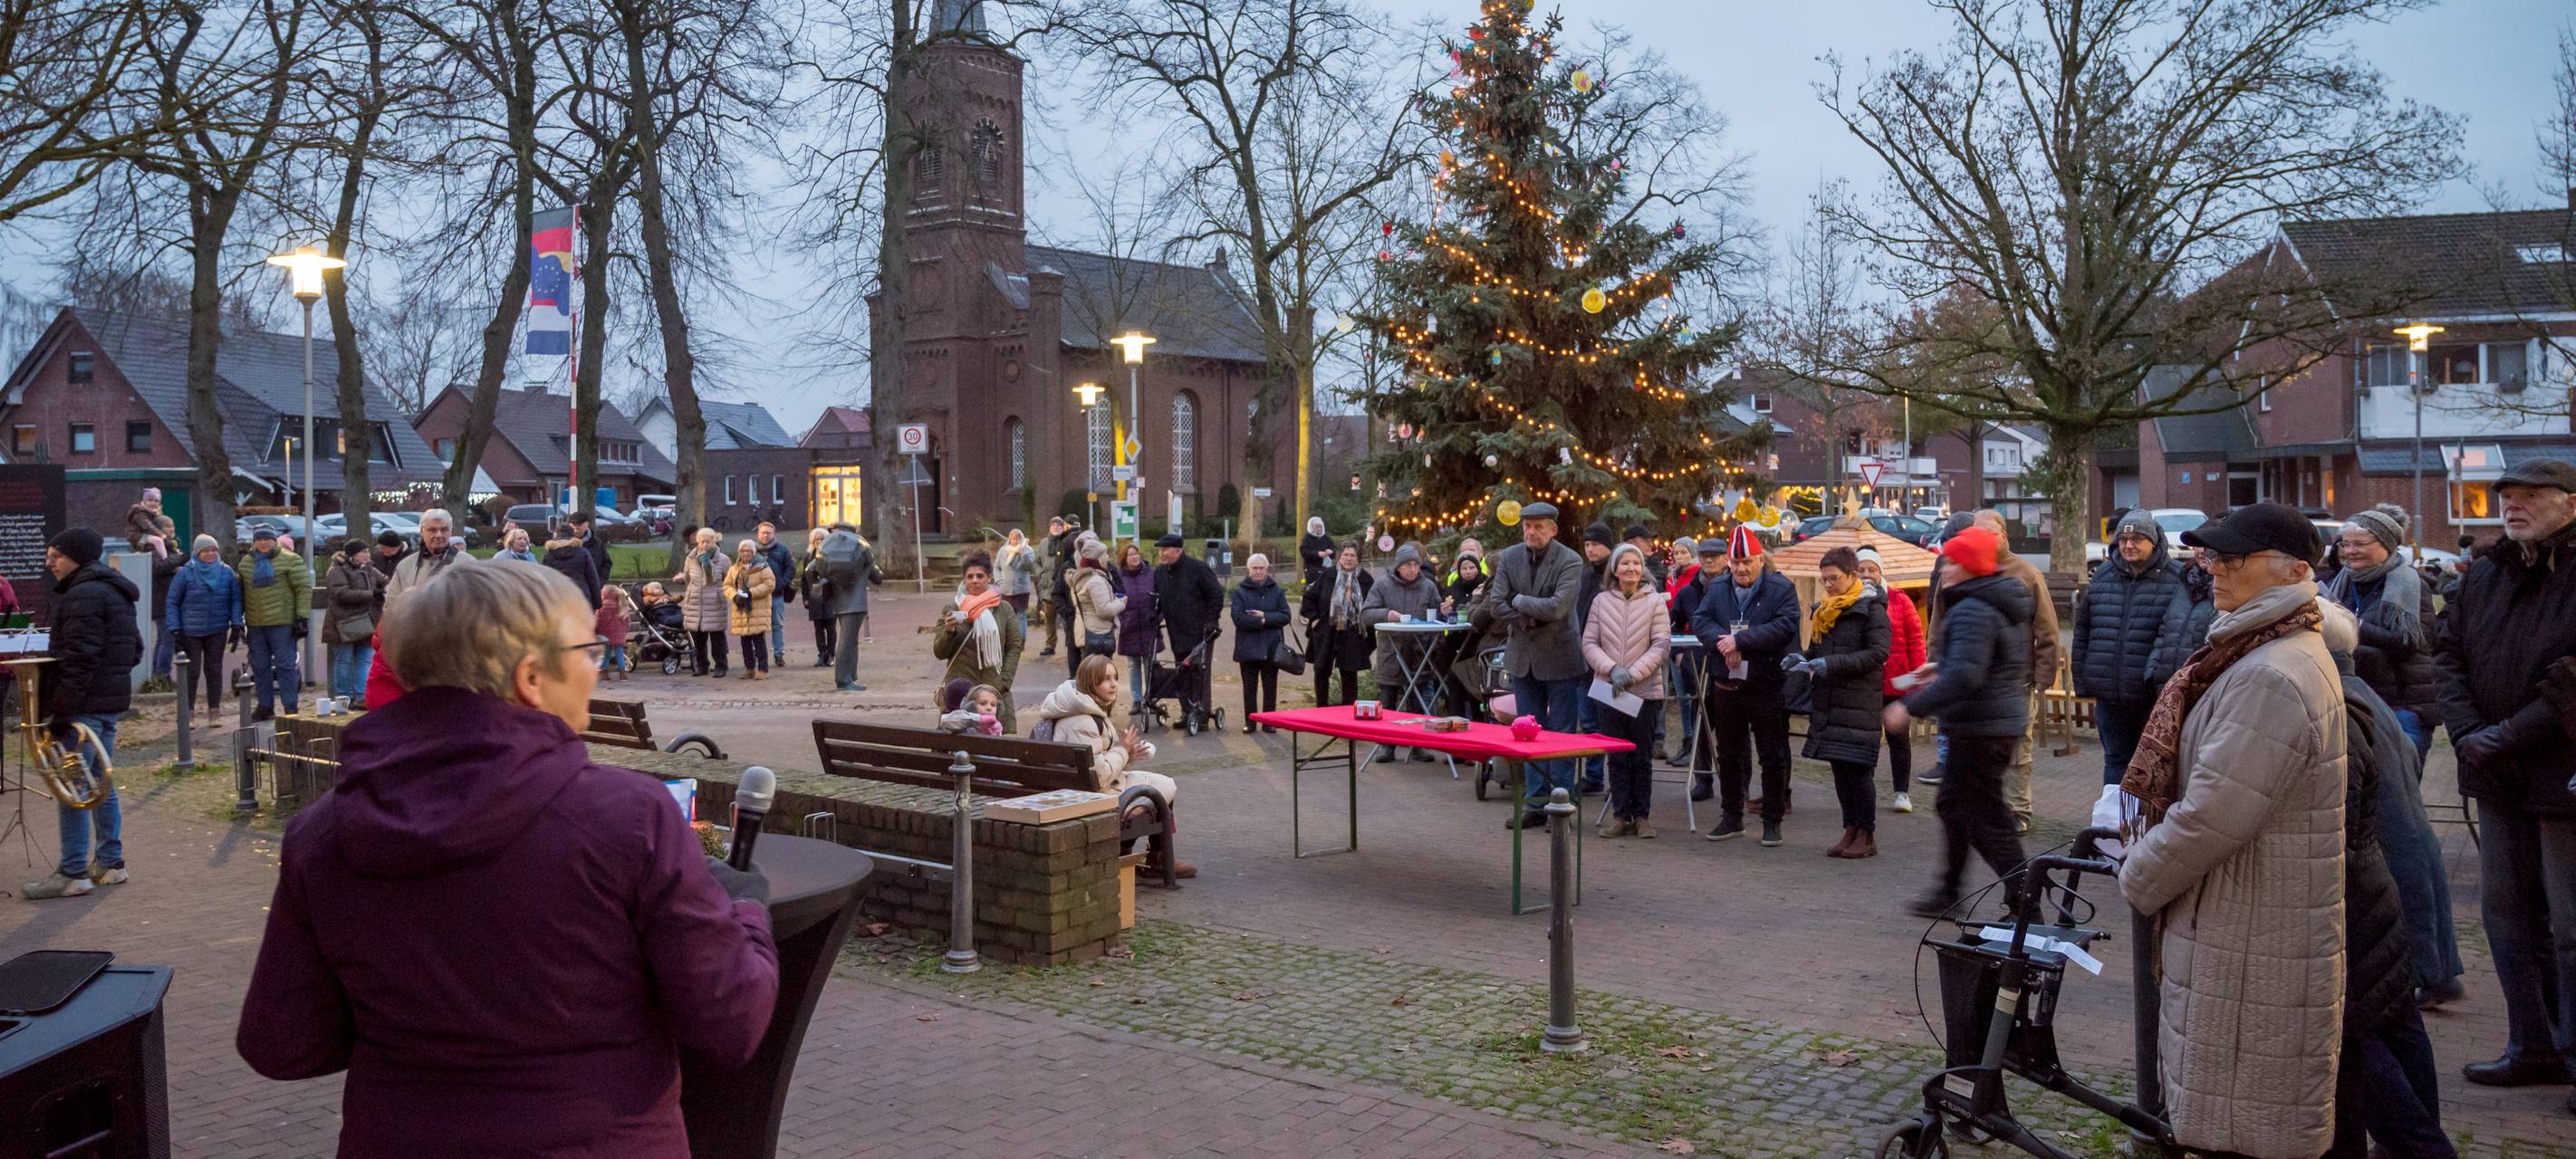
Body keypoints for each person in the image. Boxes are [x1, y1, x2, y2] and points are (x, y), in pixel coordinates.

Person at [236, 559, 779, 1156]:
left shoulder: (323, 833)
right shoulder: (630, 818)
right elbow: (732, 1022)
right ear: (531, 678)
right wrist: (747, 907)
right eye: (589, 653)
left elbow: (281, 1043)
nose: (595, 672)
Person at [2118, 502, 2345, 1159]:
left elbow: (2215, 813)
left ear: (2294, 571)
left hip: (2251, 932)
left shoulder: (2272, 672)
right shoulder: (2257, 650)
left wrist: (2139, 873)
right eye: (2214, 555)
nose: (2214, 568)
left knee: (2243, 1126)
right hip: (2244, 920)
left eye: (2234, 558)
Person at [2433, 458, 2576, 1101]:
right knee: (2507, 917)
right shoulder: (2488, 574)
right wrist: (2467, 734)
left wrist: (2511, 733)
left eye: (2531, 496)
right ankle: (2532, 1044)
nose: (2514, 506)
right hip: (2495, 773)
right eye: (2508, 497)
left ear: (2570, 502)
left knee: (2571, 927)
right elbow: (2448, 651)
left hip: (2562, 773)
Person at [2321, 605, 2457, 1159]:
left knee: (2355, 1032)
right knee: (2393, 1019)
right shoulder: (2363, 696)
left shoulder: (2336, 706)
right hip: (2391, 883)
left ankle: (2420, 1147)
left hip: (2367, 888)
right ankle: (2415, 1141)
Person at [1889, 527, 2032, 918]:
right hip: (1987, 723)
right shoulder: (1993, 601)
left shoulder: (1973, 608)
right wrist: (1939, 667)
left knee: (1986, 817)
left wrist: (1910, 707)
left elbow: (1968, 676)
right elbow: (1988, 663)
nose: (1945, 567)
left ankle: (2024, 901)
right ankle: (1949, 891)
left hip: (1981, 727)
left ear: (1969, 566)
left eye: (1952, 561)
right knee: (1955, 806)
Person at [20, 529, 139, 900]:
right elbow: (134, 649)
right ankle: (110, 863)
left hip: (81, 707)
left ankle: (72, 871)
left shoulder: (82, 594)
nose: (48, 562)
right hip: (106, 704)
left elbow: (79, 659)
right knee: (99, 782)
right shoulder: (114, 589)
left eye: (55, 555)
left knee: (71, 787)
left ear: (76, 557)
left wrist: (61, 712)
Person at [1034, 654, 1192, 877]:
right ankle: (1150, 856)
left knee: (1162, 785)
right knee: (1159, 791)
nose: (1114, 684)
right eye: (1105, 679)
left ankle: (1135, 853)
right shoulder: (1082, 721)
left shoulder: (1084, 708)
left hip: (1087, 787)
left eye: (1115, 677)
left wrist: (1127, 753)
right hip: (1091, 796)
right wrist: (1123, 749)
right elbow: (1099, 777)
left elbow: (1098, 761)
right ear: (1090, 682)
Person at [1480, 502, 1587, 830]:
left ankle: (1561, 806)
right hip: (1522, 659)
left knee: (1562, 734)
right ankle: (1535, 803)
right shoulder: (1510, 557)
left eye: (1539, 526)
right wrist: (1526, 610)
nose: (1531, 532)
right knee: (1527, 733)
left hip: (1561, 658)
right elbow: (1496, 604)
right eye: (1527, 526)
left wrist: (1520, 601)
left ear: (1553, 529)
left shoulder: (1570, 560)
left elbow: (1557, 608)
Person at [1692, 526, 1801, 846]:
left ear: (1760, 560)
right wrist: (1723, 643)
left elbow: (1785, 625)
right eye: (1736, 562)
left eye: (1748, 561)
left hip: (1766, 683)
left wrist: (1741, 640)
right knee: (1729, 754)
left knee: (1772, 754)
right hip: (1727, 683)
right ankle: (1731, 817)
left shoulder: (1781, 588)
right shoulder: (1718, 587)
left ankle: (1772, 820)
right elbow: (1701, 620)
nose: (1741, 568)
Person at [2071, 508, 2190, 786]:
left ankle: (2147, 827)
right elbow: (2084, 632)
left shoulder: (2176, 579)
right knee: (2115, 761)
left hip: (2151, 697)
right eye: (2123, 540)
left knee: (2152, 765)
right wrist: (2083, 682)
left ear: (2154, 542)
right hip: (2110, 697)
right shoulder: (2103, 575)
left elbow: (2177, 636)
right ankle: (2114, 825)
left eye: (2137, 539)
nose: (2128, 545)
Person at [1790, 546, 1891, 859]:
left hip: (1859, 703)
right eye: (1824, 580)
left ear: (1853, 575)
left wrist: (1829, 665)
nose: (1829, 585)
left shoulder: (1872, 609)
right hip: (1831, 702)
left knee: (1858, 771)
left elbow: (1877, 654)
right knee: (1840, 769)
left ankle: (1867, 833)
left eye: (1834, 578)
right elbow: (1819, 650)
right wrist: (1803, 659)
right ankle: (1850, 828)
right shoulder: (1826, 610)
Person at [2327, 504, 2438, 759]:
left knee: (2399, 793)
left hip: (2402, 708)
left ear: (2386, 545)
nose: (2350, 552)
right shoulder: (2340, 584)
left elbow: (2412, 643)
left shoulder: (2411, 586)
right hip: (2352, 704)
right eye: (2346, 544)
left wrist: (2354, 626)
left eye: (2360, 544)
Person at [1970, 510, 2058, 832]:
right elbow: (1940, 624)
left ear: (2004, 536)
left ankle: (2018, 810)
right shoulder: (1964, 571)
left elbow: (2047, 630)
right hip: (1976, 681)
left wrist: (2043, 678)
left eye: (1990, 534)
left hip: (2017, 682)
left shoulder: (2027, 574)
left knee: (2018, 748)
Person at [1581, 542, 1670, 837]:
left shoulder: (1655, 601)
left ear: (1642, 568)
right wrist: (1611, 670)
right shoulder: (1600, 601)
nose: (1630, 568)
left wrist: (1632, 675)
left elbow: (1660, 645)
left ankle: (1642, 816)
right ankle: (1621, 815)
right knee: (1616, 756)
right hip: (1609, 691)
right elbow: (1589, 643)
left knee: (1641, 756)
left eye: (1636, 563)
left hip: (1643, 691)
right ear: (1615, 569)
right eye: (1625, 563)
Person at [1856, 548, 1925, 814]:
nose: (1866, 574)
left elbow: (1915, 641)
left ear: (1881, 571)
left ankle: (1902, 792)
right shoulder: (1852, 599)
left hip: (1896, 681)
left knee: (1899, 739)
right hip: (1867, 682)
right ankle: (1866, 790)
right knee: (1868, 739)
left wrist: (1917, 680)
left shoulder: (1899, 600)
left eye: (1872, 569)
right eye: (1861, 569)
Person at [1362, 541, 1445, 762]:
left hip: (1420, 653)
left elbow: (1437, 614)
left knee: (1417, 703)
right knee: (1388, 702)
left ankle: (1418, 745)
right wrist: (1386, 614)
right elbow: (1366, 614)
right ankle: (1386, 746)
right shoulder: (1382, 585)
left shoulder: (1428, 586)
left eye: (1416, 564)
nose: (1413, 569)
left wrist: (1444, 612)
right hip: (1392, 652)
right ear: (1398, 566)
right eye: (1408, 565)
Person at [932, 551, 1024, 732]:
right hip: (959, 691)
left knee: (997, 743)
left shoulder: (1004, 609)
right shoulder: (952, 608)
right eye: (970, 576)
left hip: (993, 690)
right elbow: (939, 652)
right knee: (959, 747)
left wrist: (1003, 682)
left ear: (989, 578)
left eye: (980, 576)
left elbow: (1014, 647)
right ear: (964, 580)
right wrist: (949, 631)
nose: (974, 580)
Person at [235, 524, 312, 720]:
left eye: (267, 539)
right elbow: (241, 593)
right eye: (259, 539)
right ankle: (265, 705)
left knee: (285, 665)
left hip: (283, 621)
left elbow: (303, 589)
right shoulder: (245, 563)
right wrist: (239, 621)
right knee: (260, 666)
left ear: (274, 540)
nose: (263, 543)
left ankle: (290, 707)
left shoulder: (291, 560)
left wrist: (302, 617)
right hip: (255, 623)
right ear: (254, 542)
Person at [1670, 538, 1728, 789]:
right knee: (1700, 728)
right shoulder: (1688, 592)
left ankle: (1738, 784)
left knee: (1731, 731)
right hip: (1697, 668)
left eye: (1715, 555)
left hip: (1729, 668)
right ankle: (1703, 781)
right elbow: (1672, 626)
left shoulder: (1735, 587)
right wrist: (1679, 653)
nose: (1709, 560)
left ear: (1725, 558)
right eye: (1704, 555)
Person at [167, 533, 243, 724]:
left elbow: (235, 600)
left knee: (214, 670)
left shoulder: (226, 572)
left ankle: (214, 711)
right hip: (191, 629)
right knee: (191, 672)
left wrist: (236, 625)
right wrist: (175, 628)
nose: (210, 554)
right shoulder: (185, 573)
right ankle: (188, 713)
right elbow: (173, 601)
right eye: (205, 551)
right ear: (197, 553)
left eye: (213, 550)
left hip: (217, 628)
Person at [1153, 533, 1225, 714]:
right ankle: (1187, 712)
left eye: (1165, 550)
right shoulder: (1161, 573)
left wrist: (1211, 620)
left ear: (1178, 550)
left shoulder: (1197, 569)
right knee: (1182, 672)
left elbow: (1216, 594)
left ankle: (1202, 712)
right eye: (1160, 550)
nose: (1161, 554)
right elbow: (1159, 599)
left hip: (1201, 631)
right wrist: (1154, 616)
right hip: (1176, 631)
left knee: (1199, 672)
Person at [1572, 522, 1618, 792]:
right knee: (1588, 720)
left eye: (1595, 544)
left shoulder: (1615, 576)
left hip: (1608, 658)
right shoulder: (1584, 576)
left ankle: (1615, 776)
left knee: (1610, 719)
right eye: (1587, 545)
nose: (1590, 549)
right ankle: (1594, 775)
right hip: (1583, 656)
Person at [1302, 541, 1374, 707]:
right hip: (1327, 630)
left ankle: (1348, 713)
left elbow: (1373, 604)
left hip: (1352, 633)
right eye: (1345, 555)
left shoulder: (1365, 580)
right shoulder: (1328, 575)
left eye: (1352, 556)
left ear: (1358, 559)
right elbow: (1309, 598)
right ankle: (1321, 709)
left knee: (1349, 673)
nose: (1348, 559)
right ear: (1340, 557)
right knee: (1321, 671)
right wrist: (1314, 619)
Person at [818, 522, 882, 692]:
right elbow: (877, 577)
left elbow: (811, 570)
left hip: (838, 602)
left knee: (849, 640)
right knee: (847, 641)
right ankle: (844, 680)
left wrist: (826, 584)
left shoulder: (826, 546)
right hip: (857, 602)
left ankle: (851, 677)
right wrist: (875, 572)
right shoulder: (862, 545)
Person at [1230, 553, 1289, 733]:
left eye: (1261, 568)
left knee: (1270, 686)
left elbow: (1286, 616)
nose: (1258, 571)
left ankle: (1269, 721)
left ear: (1267, 569)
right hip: (1247, 647)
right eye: (1254, 568)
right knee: (1249, 687)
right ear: (1248, 570)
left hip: (1272, 647)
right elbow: (1238, 618)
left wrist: (1264, 617)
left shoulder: (1277, 591)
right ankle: (1250, 721)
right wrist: (1265, 622)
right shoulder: (1240, 592)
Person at [323, 543, 382, 702]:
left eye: (368, 551)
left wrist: (387, 587)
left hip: (365, 622)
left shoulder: (369, 568)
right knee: (344, 661)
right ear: (352, 554)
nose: (368, 555)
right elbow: (340, 593)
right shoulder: (337, 569)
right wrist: (371, 594)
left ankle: (362, 696)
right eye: (364, 552)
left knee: (365, 660)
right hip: (343, 623)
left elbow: (385, 580)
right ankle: (344, 698)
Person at [673, 528, 730, 677]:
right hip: (696, 603)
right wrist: (681, 581)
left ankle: (721, 666)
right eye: (702, 541)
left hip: (715, 603)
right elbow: (687, 578)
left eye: (708, 541)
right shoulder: (691, 559)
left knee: (717, 638)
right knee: (698, 638)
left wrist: (722, 593)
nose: (705, 544)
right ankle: (702, 666)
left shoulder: (723, 560)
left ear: (714, 541)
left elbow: (729, 581)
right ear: (697, 542)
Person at [1112, 542, 1161, 707]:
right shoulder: (1119, 577)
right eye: (1130, 555)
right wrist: (1122, 618)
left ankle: (1151, 697)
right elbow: (1116, 599)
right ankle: (1137, 699)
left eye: (1136, 554)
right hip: (1130, 626)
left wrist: (1158, 616)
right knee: (1133, 665)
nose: (1134, 557)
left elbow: (1161, 598)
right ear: (1124, 559)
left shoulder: (1151, 574)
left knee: (1150, 663)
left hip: (1149, 625)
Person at [383, 509, 463, 608]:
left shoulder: (468, 564)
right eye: (432, 530)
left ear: (451, 532)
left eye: (444, 530)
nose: (439, 535)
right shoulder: (405, 566)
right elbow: (390, 607)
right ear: (421, 531)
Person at [1067, 535, 1124, 672]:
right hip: (1100, 634)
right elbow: (1104, 610)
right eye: (1105, 554)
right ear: (1097, 558)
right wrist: (1121, 603)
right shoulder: (1096, 580)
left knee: (1091, 672)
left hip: (1088, 632)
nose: (1107, 558)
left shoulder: (1081, 577)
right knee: (1100, 675)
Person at [723, 539, 775, 680]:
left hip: (757, 609)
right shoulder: (734, 569)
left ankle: (763, 669)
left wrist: (751, 593)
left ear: (754, 552)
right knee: (744, 642)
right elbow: (727, 585)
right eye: (742, 551)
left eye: (748, 551)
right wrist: (734, 596)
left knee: (759, 641)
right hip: (741, 610)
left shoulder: (763, 567)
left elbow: (769, 585)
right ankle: (749, 668)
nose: (745, 553)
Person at [755, 522, 794, 666]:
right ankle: (759, 655)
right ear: (758, 534)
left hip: (776, 594)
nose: (765, 535)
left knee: (777, 625)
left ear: (774, 533)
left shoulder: (782, 550)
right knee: (758, 626)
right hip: (757, 596)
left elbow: (790, 568)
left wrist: (783, 583)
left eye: (768, 533)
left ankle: (779, 654)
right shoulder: (752, 549)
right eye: (763, 533)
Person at [1039, 516, 1078, 659]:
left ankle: (1073, 644)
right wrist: (1041, 573)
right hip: (1048, 588)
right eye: (1053, 525)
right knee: (1049, 619)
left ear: (1064, 527)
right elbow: (1036, 561)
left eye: (1059, 525)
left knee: (1068, 617)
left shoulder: (1067, 542)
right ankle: (1050, 645)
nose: (1056, 527)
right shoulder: (1043, 543)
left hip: (1064, 588)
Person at [542, 523, 603, 610]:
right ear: (573, 535)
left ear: (556, 535)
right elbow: (593, 579)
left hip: (557, 599)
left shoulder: (548, 555)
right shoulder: (583, 553)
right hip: (580, 597)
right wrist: (598, 603)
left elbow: (543, 580)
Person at [796, 529, 834, 667]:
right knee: (818, 627)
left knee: (830, 627)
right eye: (816, 539)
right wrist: (805, 597)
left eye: (821, 539)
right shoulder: (808, 557)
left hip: (830, 596)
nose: (819, 541)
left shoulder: (832, 555)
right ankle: (821, 653)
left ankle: (831, 654)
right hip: (815, 596)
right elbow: (804, 580)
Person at [995, 528, 1037, 636]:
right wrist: (999, 581)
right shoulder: (1003, 551)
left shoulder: (1028, 550)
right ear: (1010, 539)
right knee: (1008, 616)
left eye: (1018, 539)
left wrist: (1023, 553)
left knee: (1021, 615)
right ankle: (1010, 640)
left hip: (1021, 589)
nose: (1015, 541)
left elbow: (1029, 567)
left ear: (1022, 539)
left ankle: (1021, 640)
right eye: (1013, 539)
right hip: (1006, 589)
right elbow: (996, 567)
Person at [565, 508, 612, 593]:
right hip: (567, 591)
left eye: (579, 524)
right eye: (574, 524)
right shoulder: (562, 544)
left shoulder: (597, 543)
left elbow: (606, 563)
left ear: (587, 525)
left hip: (591, 590)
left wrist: (599, 582)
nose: (576, 527)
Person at [937, 678, 1005, 736]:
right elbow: (945, 722)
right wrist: (978, 719)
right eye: (983, 703)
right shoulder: (966, 724)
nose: (989, 708)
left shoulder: (998, 728)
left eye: (993, 705)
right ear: (971, 705)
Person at [125, 486, 176, 558]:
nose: (153, 503)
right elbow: (148, 527)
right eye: (150, 500)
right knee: (158, 541)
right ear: (145, 501)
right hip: (137, 536)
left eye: (156, 501)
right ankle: (165, 558)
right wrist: (163, 536)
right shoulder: (139, 512)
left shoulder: (153, 512)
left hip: (145, 535)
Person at [596, 582, 631, 681]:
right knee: (619, 653)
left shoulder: (601, 608)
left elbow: (597, 622)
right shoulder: (621, 606)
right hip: (619, 637)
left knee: (606, 655)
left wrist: (596, 633)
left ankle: (604, 674)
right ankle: (622, 674)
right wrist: (624, 633)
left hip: (605, 636)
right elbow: (628, 623)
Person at [1624, 524, 1666, 589]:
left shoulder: (1657, 566)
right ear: (1631, 542)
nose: (1651, 545)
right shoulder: (1621, 569)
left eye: (1650, 541)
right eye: (1646, 541)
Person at [1299, 516, 1336, 587]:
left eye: (1320, 527)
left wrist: (1331, 551)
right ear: (1312, 528)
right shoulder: (1307, 538)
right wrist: (1317, 554)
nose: (1319, 529)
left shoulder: (1326, 538)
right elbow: (1303, 552)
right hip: (1311, 569)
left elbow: (1334, 549)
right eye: (1317, 527)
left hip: (1326, 567)